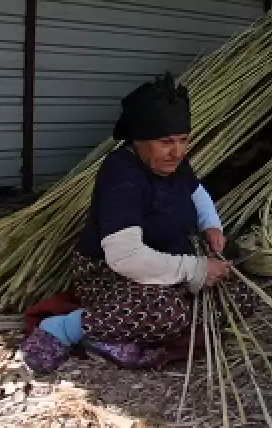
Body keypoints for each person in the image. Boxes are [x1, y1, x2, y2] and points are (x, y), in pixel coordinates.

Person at [21, 73, 255, 373]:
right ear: (138, 141)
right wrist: (195, 269)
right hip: (110, 274)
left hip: (169, 260)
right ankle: (65, 328)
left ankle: (115, 336)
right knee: (167, 315)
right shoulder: (123, 174)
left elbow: (196, 192)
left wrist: (211, 225)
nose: (178, 151)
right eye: (166, 142)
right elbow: (126, 258)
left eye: (184, 140)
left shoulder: (175, 162)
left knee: (238, 294)